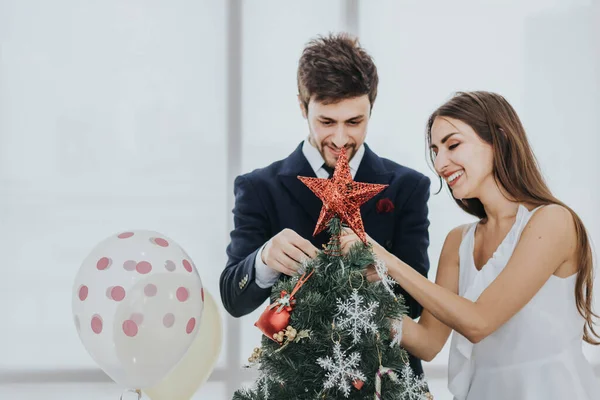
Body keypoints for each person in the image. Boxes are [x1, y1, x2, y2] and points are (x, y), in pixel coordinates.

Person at [340, 90, 600, 399]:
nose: (439, 164)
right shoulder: (458, 241)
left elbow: (479, 321)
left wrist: (387, 262)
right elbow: (427, 342)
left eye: (453, 145)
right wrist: (355, 300)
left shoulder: (553, 222)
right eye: (435, 151)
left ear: (499, 139)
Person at [219, 33, 431, 376]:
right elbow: (233, 298)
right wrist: (263, 260)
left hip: (385, 382)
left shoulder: (408, 187)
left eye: (354, 122)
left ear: (371, 109)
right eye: (326, 122)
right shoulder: (259, 187)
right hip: (297, 383)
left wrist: (378, 275)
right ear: (303, 108)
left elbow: (418, 305)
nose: (340, 139)